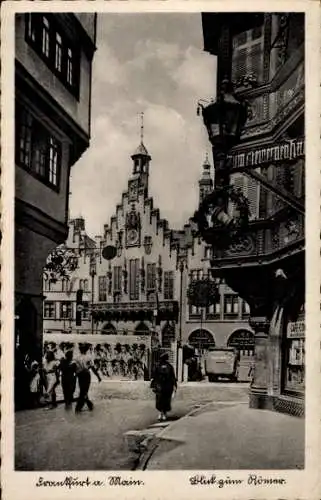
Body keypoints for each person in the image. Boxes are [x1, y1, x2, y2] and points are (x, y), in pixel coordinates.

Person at [74, 344, 101, 413]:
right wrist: (98, 376)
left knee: (82, 390)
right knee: (84, 391)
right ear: (86, 350)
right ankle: (84, 406)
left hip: (80, 375)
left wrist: (76, 374)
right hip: (86, 374)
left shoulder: (77, 357)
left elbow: (75, 368)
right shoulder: (88, 357)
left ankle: (83, 406)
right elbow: (92, 368)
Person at [151, 352, 177, 421]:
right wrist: (174, 386)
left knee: (160, 400)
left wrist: (153, 386)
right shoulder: (169, 366)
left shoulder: (158, 366)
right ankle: (163, 414)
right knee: (165, 400)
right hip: (166, 386)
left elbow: (154, 376)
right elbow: (173, 377)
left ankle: (161, 414)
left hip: (161, 386)